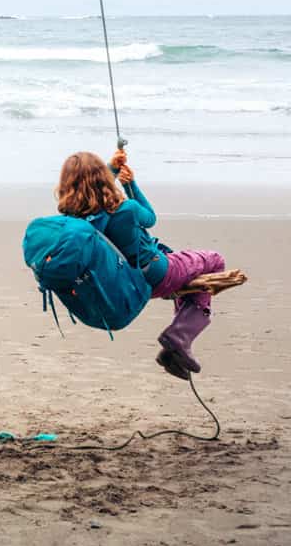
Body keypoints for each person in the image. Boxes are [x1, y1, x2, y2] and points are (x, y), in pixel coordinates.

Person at [53, 149, 226, 379]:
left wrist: (113, 168)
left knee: (185, 275)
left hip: (126, 283)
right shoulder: (127, 209)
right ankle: (179, 336)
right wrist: (131, 184)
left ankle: (175, 345)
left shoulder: (74, 224)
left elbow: (91, 196)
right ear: (103, 180)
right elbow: (150, 217)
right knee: (214, 260)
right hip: (156, 273)